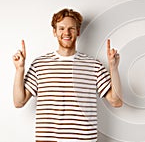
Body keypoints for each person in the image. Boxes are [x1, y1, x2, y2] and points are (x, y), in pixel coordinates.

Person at [12, 8, 122, 142]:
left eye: (71, 28)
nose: (67, 33)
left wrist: (113, 68)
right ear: (54, 32)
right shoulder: (39, 64)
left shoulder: (94, 65)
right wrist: (19, 69)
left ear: (78, 31)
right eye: (61, 28)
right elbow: (19, 102)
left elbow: (116, 102)